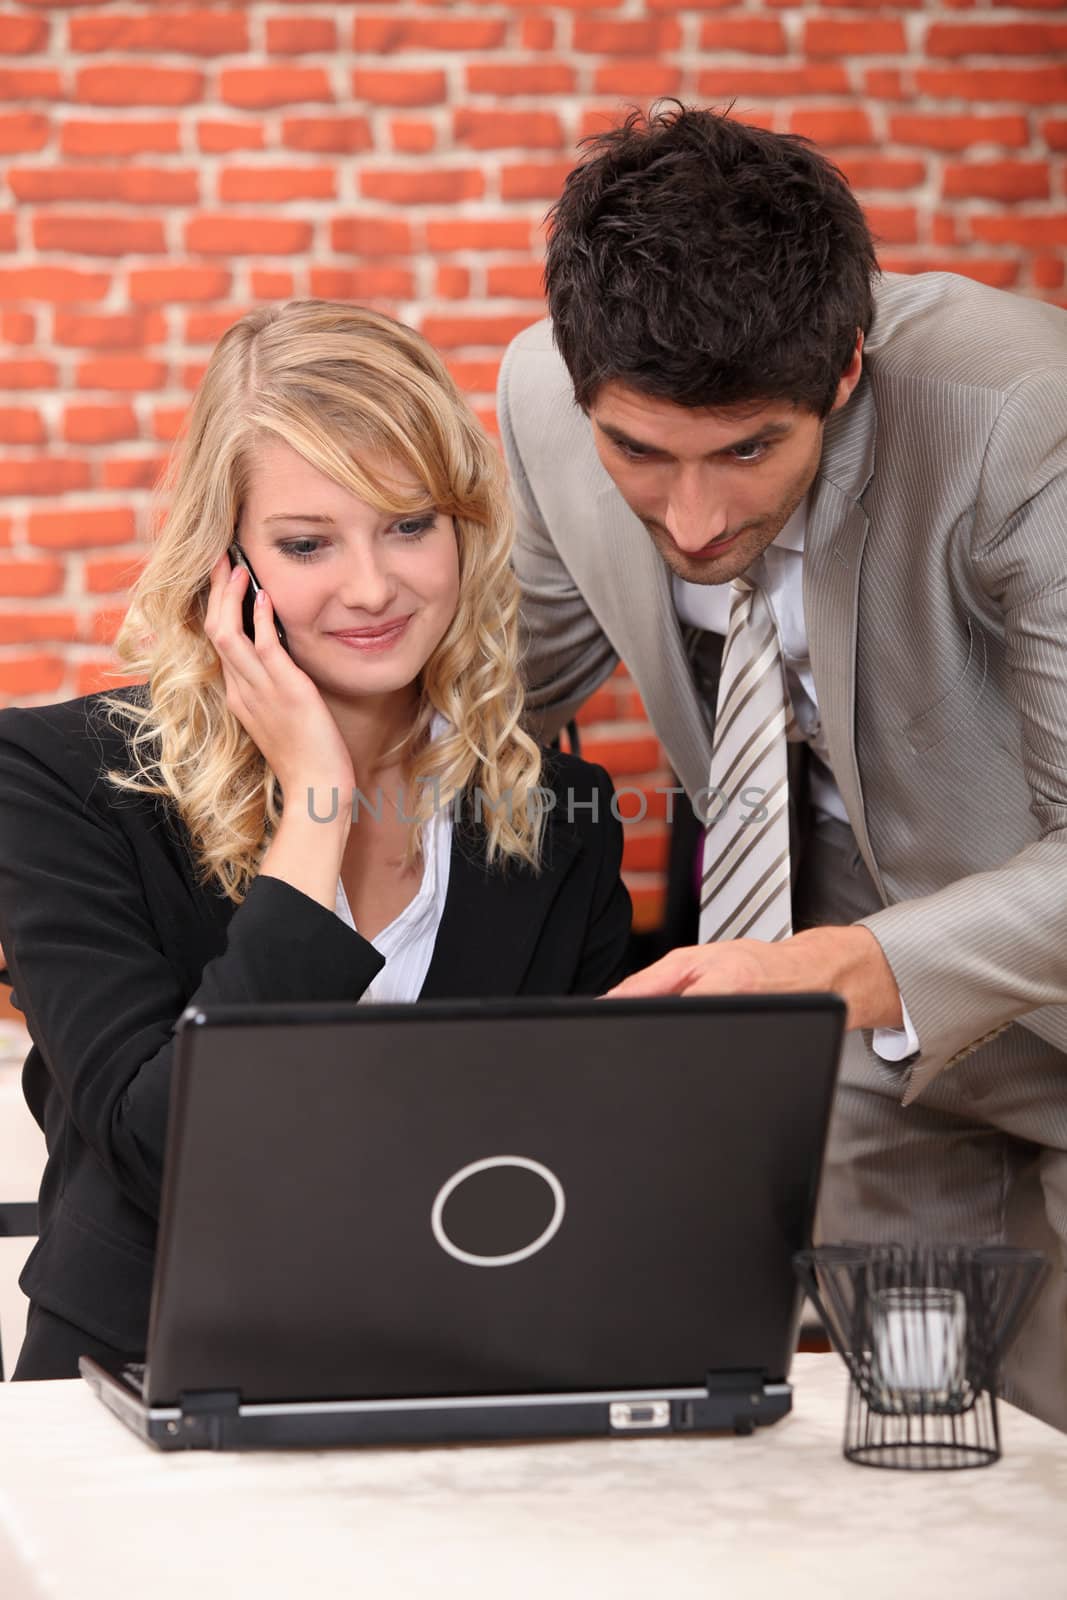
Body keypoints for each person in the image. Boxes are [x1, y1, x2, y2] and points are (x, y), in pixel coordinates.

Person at [498, 104, 1067, 1431]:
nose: (691, 520)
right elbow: (486, 709)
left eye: (747, 451)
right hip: (871, 1063)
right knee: (926, 1459)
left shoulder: (1020, 422)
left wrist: (829, 966)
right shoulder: (542, 398)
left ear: (844, 371)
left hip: (922, 974)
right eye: (638, 453)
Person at [0, 299, 631, 1380]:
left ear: (464, 531)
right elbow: (166, 1146)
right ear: (226, 562)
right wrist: (317, 802)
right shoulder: (62, 781)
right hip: (141, 1375)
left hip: (456, 1368)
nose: (373, 587)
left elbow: (571, 1159)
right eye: (306, 543)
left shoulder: (555, 813)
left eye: (408, 524)